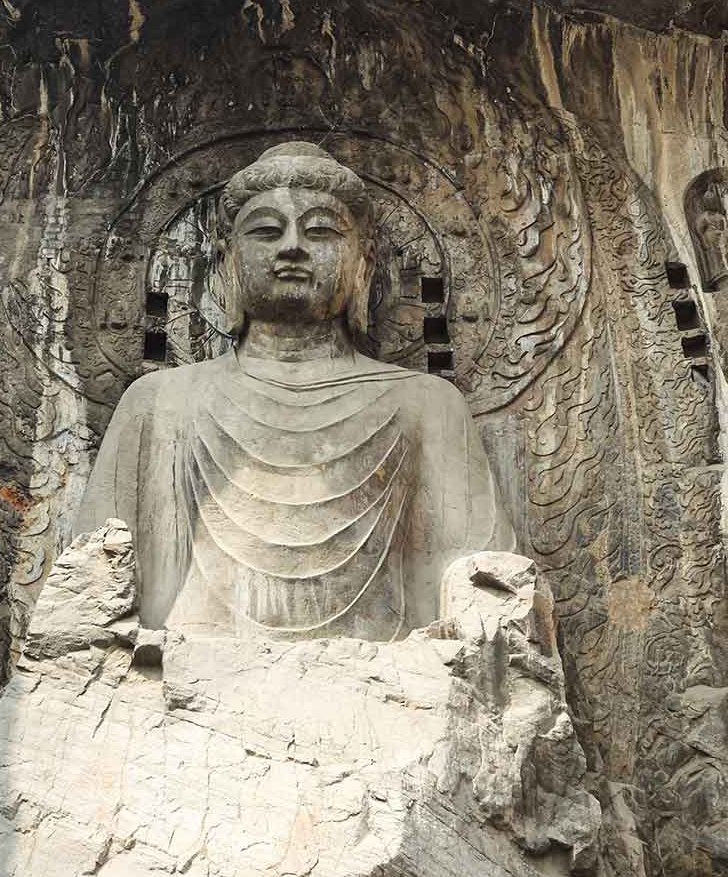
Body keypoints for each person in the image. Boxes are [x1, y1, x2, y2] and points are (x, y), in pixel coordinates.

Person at [63, 143, 509, 640]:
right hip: (187, 678)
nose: (292, 247)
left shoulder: (426, 404)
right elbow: (89, 592)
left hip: (380, 684)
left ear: (363, 262)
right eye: (266, 231)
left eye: (320, 231)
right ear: (227, 260)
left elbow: (481, 587)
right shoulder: (159, 401)